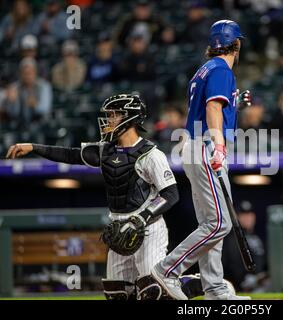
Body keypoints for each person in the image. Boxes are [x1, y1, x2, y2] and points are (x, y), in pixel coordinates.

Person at [5, 94, 209, 300]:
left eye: (114, 115)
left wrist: (142, 217)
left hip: (148, 227)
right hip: (118, 228)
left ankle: (188, 284)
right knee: (117, 294)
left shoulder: (151, 154)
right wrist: (33, 147)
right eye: (109, 115)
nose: (109, 120)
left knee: (152, 291)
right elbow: (71, 155)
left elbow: (171, 193)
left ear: (129, 118)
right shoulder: (106, 150)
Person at [149, 20, 251, 300]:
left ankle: (214, 289)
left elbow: (212, 104)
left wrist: (236, 102)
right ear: (236, 44)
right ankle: (167, 270)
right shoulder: (221, 69)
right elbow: (212, 107)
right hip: (206, 146)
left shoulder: (204, 69)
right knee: (219, 224)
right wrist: (218, 145)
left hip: (194, 146)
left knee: (211, 223)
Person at [1, 57, 52, 126]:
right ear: (20, 74)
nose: (27, 76)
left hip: (40, 124)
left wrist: (35, 105)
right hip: (19, 124)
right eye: (24, 73)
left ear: (35, 72)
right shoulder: (14, 87)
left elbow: (45, 109)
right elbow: (13, 113)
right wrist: (12, 102)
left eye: (30, 72)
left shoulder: (44, 86)